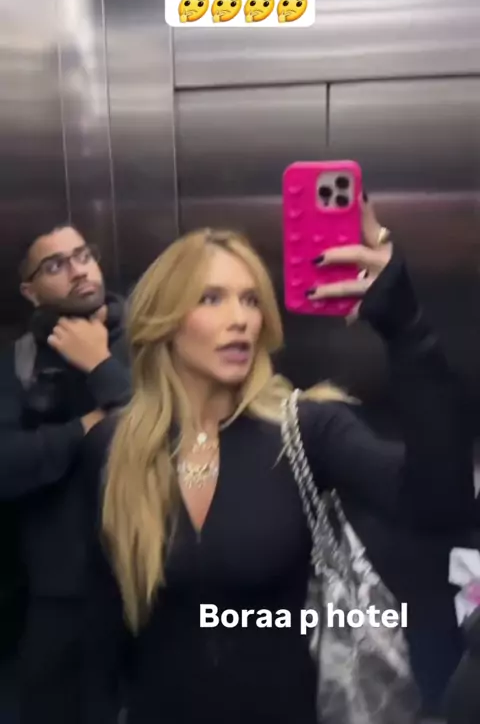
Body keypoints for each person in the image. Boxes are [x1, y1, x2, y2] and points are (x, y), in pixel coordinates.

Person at [81, 199, 474, 724]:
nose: (240, 319)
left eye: (250, 300)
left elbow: (440, 503)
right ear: (165, 321)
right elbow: (97, 624)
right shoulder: (115, 446)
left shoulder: (306, 429)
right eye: (211, 298)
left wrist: (406, 326)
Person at [0, 224, 131, 724]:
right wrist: (85, 427)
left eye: (83, 255)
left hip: (154, 581)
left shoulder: (149, 342)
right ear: (30, 291)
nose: (78, 271)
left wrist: (102, 366)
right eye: (55, 265)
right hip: (60, 593)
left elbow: (171, 444)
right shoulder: (18, 364)